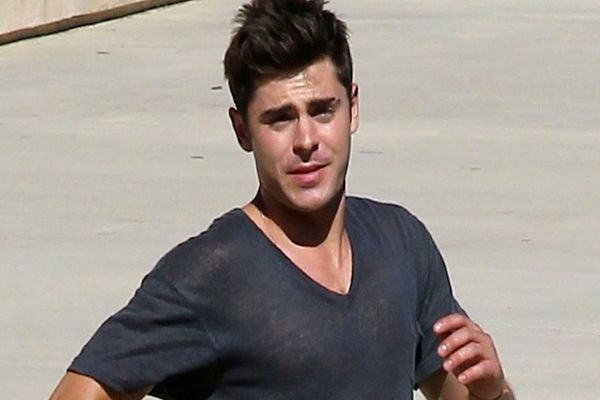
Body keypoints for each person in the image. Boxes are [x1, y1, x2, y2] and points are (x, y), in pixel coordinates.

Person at [49, 0, 515, 399]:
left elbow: (460, 392)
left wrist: (494, 391)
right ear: (242, 130)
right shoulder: (210, 274)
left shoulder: (402, 245)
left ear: (352, 108)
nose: (306, 140)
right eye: (279, 119)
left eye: (322, 110)